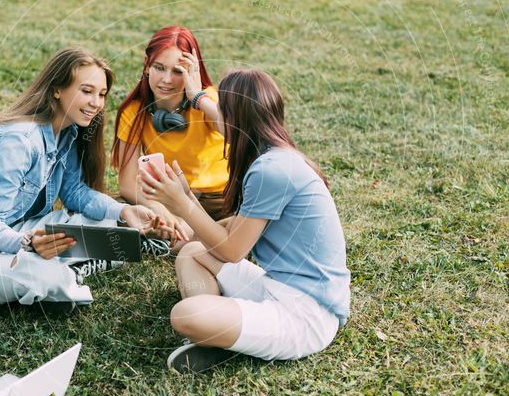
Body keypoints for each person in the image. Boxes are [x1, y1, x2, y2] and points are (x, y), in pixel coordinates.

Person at [0, 48, 160, 310]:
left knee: (110, 220)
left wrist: (125, 210)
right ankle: (68, 272)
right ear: (57, 89)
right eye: (86, 91)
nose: (96, 103)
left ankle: (72, 263)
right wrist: (28, 243)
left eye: (101, 94)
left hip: (16, 230)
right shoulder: (18, 141)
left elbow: (75, 192)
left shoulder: (66, 131)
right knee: (41, 274)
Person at [139, 69, 351, 372]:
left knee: (184, 315)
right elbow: (230, 230)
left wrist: (183, 205)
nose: (217, 119)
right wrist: (197, 97)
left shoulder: (270, 171)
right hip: (277, 288)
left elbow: (231, 251)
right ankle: (218, 337)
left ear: (236, 118)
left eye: (222, 109)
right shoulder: (274, 154)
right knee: (191, 255)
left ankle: (218, 333)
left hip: (306, 315)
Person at [111, 25, 229, 246]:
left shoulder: (208, 100)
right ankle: (182, 234)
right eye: (159, 67)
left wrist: (197, 97)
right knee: (115, 211)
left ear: (193, 71)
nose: (166, 80)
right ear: (147, 67)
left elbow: (233, 132)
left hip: (219, 201)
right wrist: (162, 211)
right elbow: (127, 184)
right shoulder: (134, 111)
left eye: (178, 71)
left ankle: (190, 236)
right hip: (169, 197)